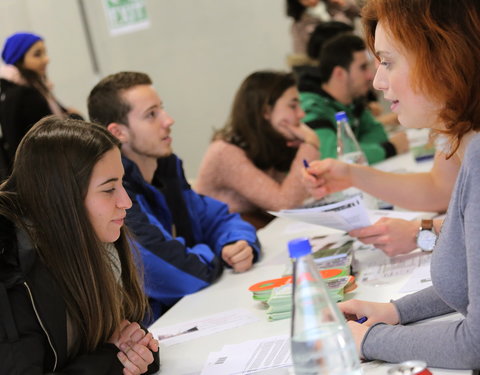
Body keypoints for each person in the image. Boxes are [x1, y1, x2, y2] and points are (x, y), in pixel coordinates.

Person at [334, 0, 480, 368]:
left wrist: (370, 339)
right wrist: (396, 311)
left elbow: (475, 343)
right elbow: (470, 281)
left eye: (387, 61)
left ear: (443, 58)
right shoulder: (469, 142)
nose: (377, 81)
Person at [87, 72, 261, 321]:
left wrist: (236, 243)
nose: (169, 120)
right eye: (151, 115)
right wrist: (212, 251)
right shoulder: (117, 198)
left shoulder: (165, 170)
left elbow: (219, 218)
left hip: (196, 313)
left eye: (162, 109)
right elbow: (184, 275)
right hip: (158, 336)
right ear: (118, 132)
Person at [0, 116, 159, 374]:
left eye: (122, 183)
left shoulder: (93, 241)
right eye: (109, 189)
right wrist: (112, 360)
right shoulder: (11, 271)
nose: (126, 201)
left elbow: (125, 339)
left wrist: (137, 351)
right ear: (62, 198)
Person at [195, 71, 320, 228]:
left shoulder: (268, 144)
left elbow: (304, 196)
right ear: (266, 112)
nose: (301, 114)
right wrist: (310, 145)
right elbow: (285, 204)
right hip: (225, 244)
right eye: (293, 106)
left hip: (253, 231)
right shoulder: (225, 152)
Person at [299, 32, 409, 164]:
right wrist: (390, 148)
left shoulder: (351, 102)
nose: (370, 76)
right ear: (340, 73)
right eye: (362, 68)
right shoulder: (311, 109)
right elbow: (333, 158)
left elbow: (378, 135)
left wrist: (357, 150)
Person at [0, 32, 82, 172]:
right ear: (19, 59)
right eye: (38, 54)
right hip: (43, 172)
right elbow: (51, 133)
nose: (46, 59)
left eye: (45, 53)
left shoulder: (27, 89)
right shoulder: (24, 95)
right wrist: (74, 117)